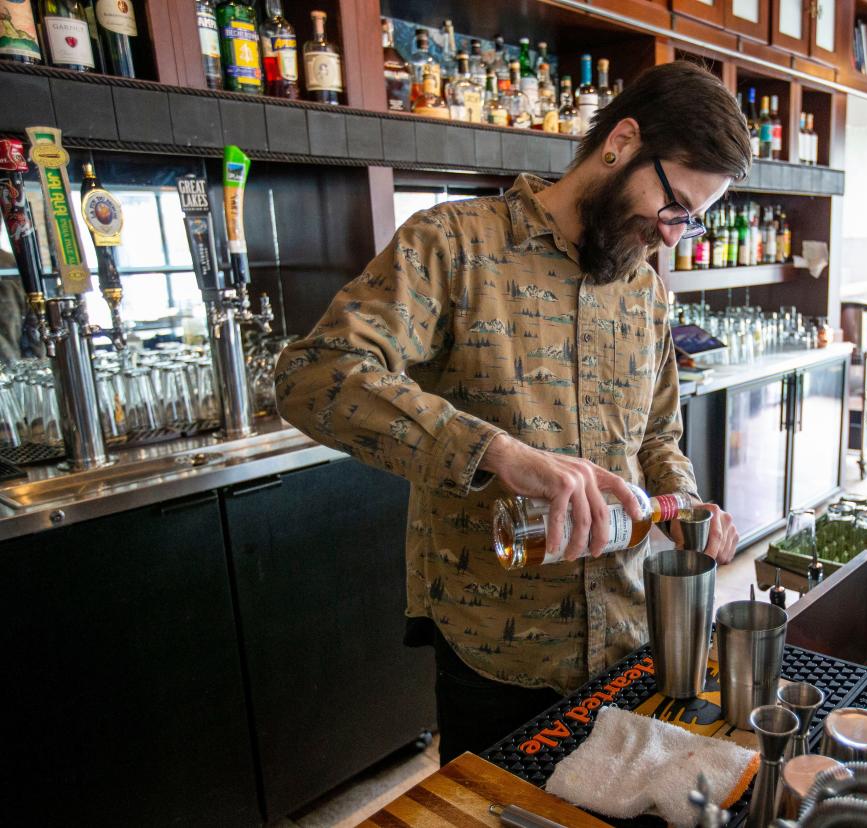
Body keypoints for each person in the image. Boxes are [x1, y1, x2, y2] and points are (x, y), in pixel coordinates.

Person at [275, 61, 750, 763]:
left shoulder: (644, 290)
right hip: (494, 650)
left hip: (624, 634)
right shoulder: (455, 244)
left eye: (692, 220)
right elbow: (311, 376)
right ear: (621, 142)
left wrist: (683, 503)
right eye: (676, 207)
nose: (675, 235)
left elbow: (655, 435)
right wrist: (497, 452)